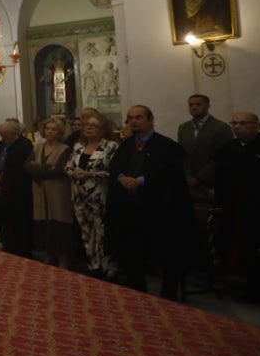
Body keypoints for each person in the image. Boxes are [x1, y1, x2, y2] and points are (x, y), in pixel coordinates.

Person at [105, 105, 190, 300]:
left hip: (160, 208)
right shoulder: (125, 145)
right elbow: (116, 167)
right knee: (132, 248)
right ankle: (137, 287)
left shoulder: (166, 146)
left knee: (166, 250)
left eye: (139, 117)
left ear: (151, 120)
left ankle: (168, 292)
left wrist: (140, 181)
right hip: (131, 208)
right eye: (130, 118)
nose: (134, 121)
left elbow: (169, 175)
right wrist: (122, 178)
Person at [213, 113, 260, 302]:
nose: (238, 126)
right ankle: (248, 285)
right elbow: (220, 178)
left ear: (257, 126)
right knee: (239, 247)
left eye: (243, 123)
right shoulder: (230, 147)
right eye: (234, 123)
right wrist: (219, 203)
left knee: (256, 248)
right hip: (234, 207)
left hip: (257, 207)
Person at [65, 114, 119, 278]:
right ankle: (92, 264)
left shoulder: (111, 147)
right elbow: (67, 166)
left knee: (101, 231)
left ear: (103, 130)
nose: (89, 128)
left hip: (99, 195)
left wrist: (91, 174)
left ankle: (106, 266)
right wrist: (73, 171)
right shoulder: (78, 147)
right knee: (85, 231)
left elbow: (114, 172)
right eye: (87, 125)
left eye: (94, 126)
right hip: (79, 195)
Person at [27, 118, 74, 267]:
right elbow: (27, 166)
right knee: (44, 224)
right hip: (40, 191)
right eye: (47, 129)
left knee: (60, 224)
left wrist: (38, 168)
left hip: (58, 191)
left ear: (59, 132)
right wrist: (47, 168)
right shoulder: (37, 147)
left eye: (53, 129)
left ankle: (63, 257)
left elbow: (59, 170)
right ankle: (50, 254)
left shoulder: (65, 149)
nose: (50, 132)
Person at [0, 120, 33, 256]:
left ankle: (21, 250)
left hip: (18, 191)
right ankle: (8, 246)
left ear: (14, 133)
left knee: (20, 223)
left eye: (5, 135)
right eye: (1, 135)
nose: (3, 138)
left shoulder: (24, 146)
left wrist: (1, 178)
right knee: (5, 222)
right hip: (2, 191)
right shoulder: (0, 146)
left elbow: (20, 168)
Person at [176, 94, 233, 201]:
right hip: (189, 183)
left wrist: (200, 178)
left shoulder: (221, 127)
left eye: (198, 104)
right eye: (191, 105)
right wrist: (187, 176)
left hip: (213, 182)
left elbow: (222, 157)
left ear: (207, 106)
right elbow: (182, 154)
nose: (194, 107)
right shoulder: (183, 128)